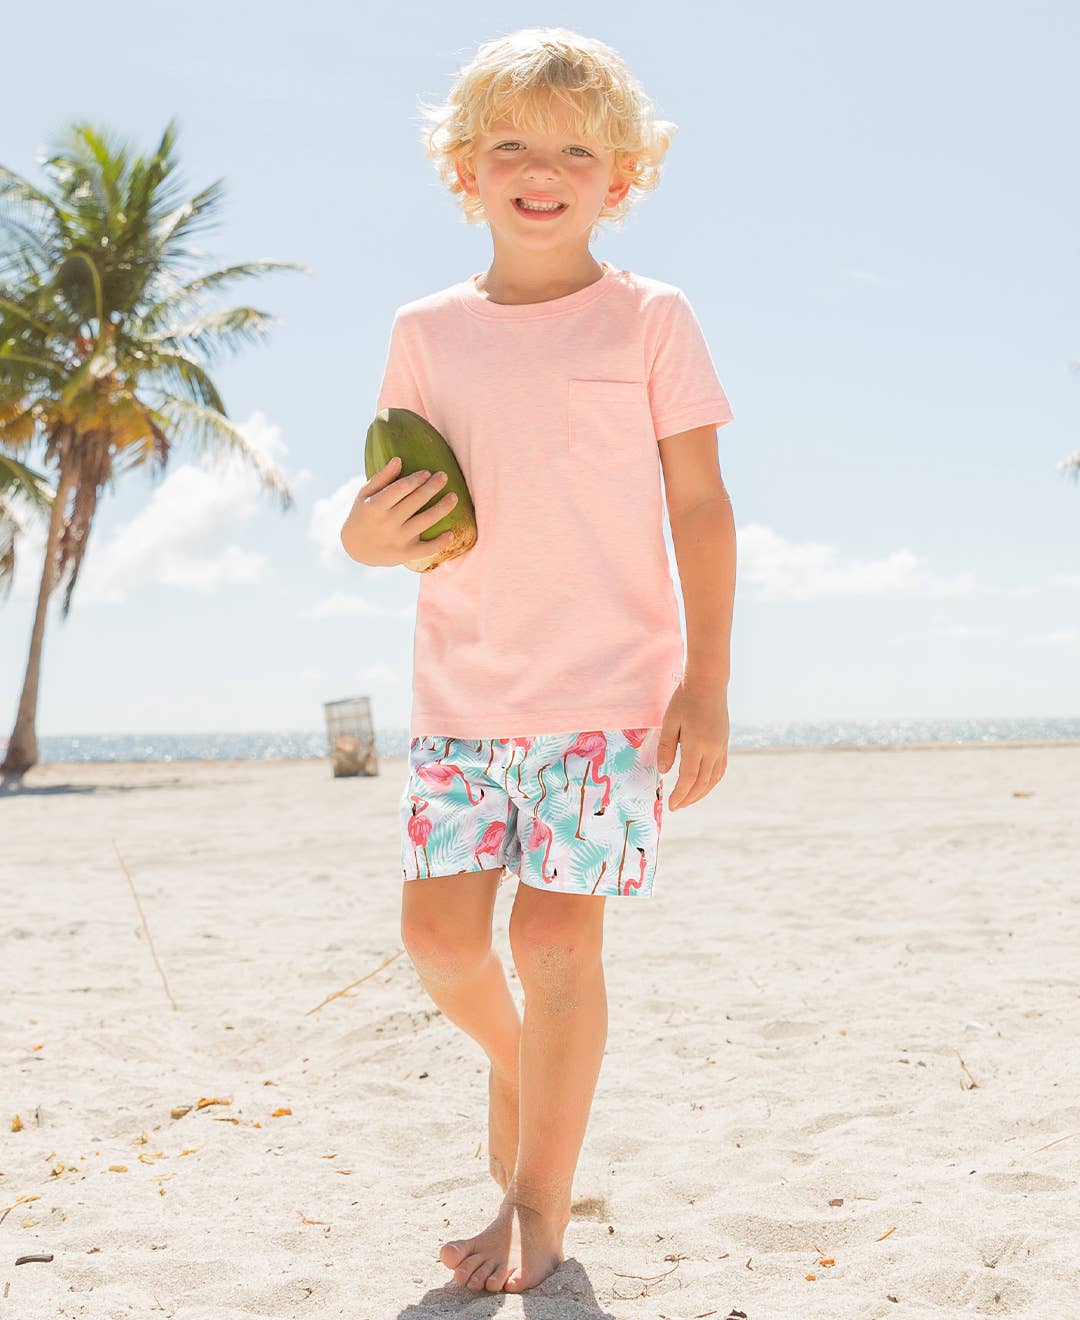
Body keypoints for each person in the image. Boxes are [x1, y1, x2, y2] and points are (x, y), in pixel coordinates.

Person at [340, 26, 737, 1295]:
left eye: (575, 146)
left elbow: (699, 509)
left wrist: (708, 683)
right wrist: (361, 536)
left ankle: (536, 1201)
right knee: (442, 943)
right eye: (510, 142)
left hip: (607, 696)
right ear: (466, 170)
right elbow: (399, 509)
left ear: (623, 177)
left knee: (562, 946)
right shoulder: (426, 331)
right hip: (463, 695)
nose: (542, 166)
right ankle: (517, 1061)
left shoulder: (652, 319)